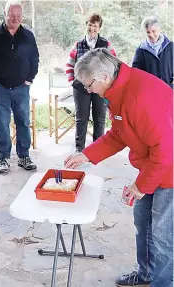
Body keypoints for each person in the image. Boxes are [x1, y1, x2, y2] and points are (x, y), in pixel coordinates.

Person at [64, 48, 173, 287]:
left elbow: (165, 152)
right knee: (142, 222)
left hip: (169, 169)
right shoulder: (117, 90)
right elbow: (118, 134)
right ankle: (146, 274)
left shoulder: (140, 97)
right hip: (152, 164)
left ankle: (163, 283)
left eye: (88, 84)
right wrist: (86, 155)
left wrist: (140, 186)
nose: (87, 90)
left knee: (164, 236)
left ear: (103, 76)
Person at [0, 0, 39, 174]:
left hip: (22, 88)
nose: (15, 18)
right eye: (11, 15)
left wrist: (29, 79)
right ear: (5, 14)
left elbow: (35, 59)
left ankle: (24, 156)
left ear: (22, 16)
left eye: (18, 15)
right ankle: (4, 158)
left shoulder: (28, 35)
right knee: (3, 124)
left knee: (23, 122)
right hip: (0, 89)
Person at [66, 13, 116, 153]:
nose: (92, 29)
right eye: (90, 25)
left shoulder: (106, 45)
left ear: (99, 28)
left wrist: (109, 85)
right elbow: (69, 65)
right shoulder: (78, 45)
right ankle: (79, 149)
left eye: (95, 26)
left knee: (99, 117)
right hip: (81, 88)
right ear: (86, 25)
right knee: (81, 118)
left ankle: (97, 149)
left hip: (100, 88)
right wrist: (72, 82)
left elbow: (114, 65)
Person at [132, 16, 173, 88]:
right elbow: (136, 72)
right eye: (148, 32)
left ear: (159, 30)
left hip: (170, 90)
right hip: (151, 91)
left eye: (153, 31)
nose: (151, 35)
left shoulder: (171, 46)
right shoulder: (141, 50)